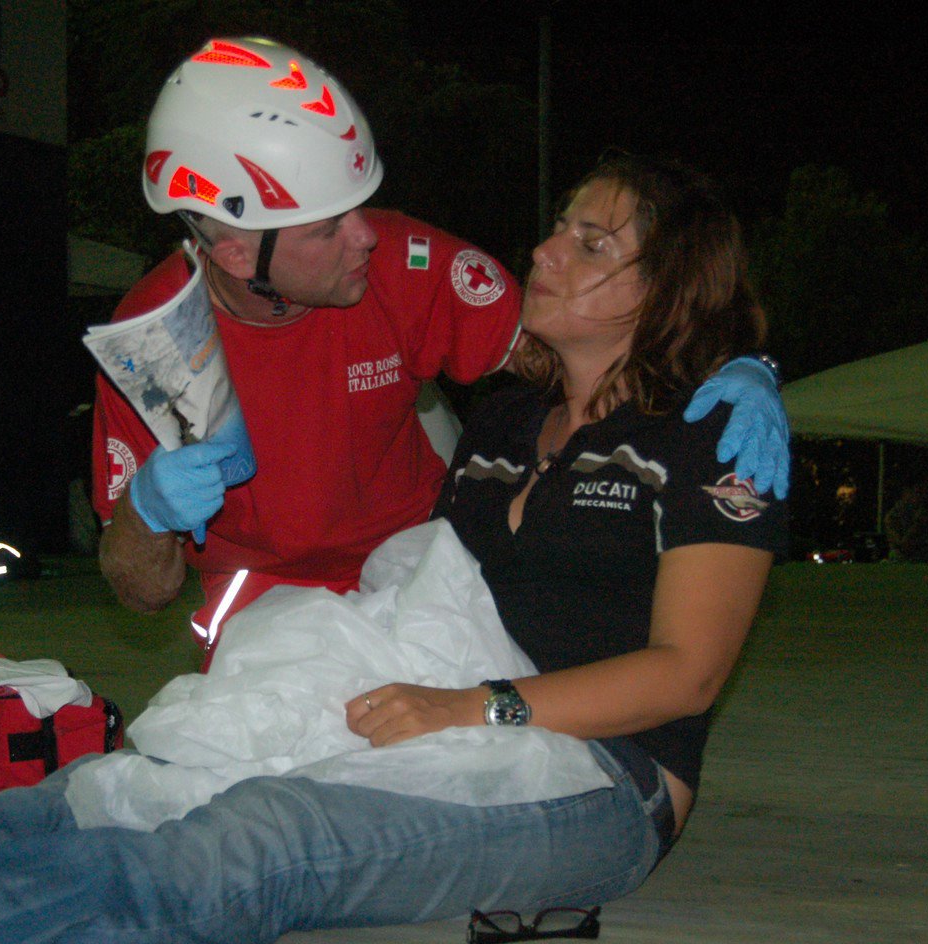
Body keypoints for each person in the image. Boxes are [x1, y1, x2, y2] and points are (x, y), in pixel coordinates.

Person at [0, 151, 785, 944]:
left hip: (594, 783)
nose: (545, 244)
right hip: (445, 701)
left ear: (663, 284)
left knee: (267, 831)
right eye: (561, 220)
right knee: (145, 778)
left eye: (592, 237)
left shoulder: (715, 442)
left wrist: (747, 366)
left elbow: (685, 675)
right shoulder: (511, 420)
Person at [92, 38, 789, 652]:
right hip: (261, 598)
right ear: (241, 256)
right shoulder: (149, 343)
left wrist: (731, 365)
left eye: (360, 206)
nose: (366, 235)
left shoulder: (405, 262)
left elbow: (589, 348)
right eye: (329, 228)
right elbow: (141, 591)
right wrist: (146, 515)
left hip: (418, 564)